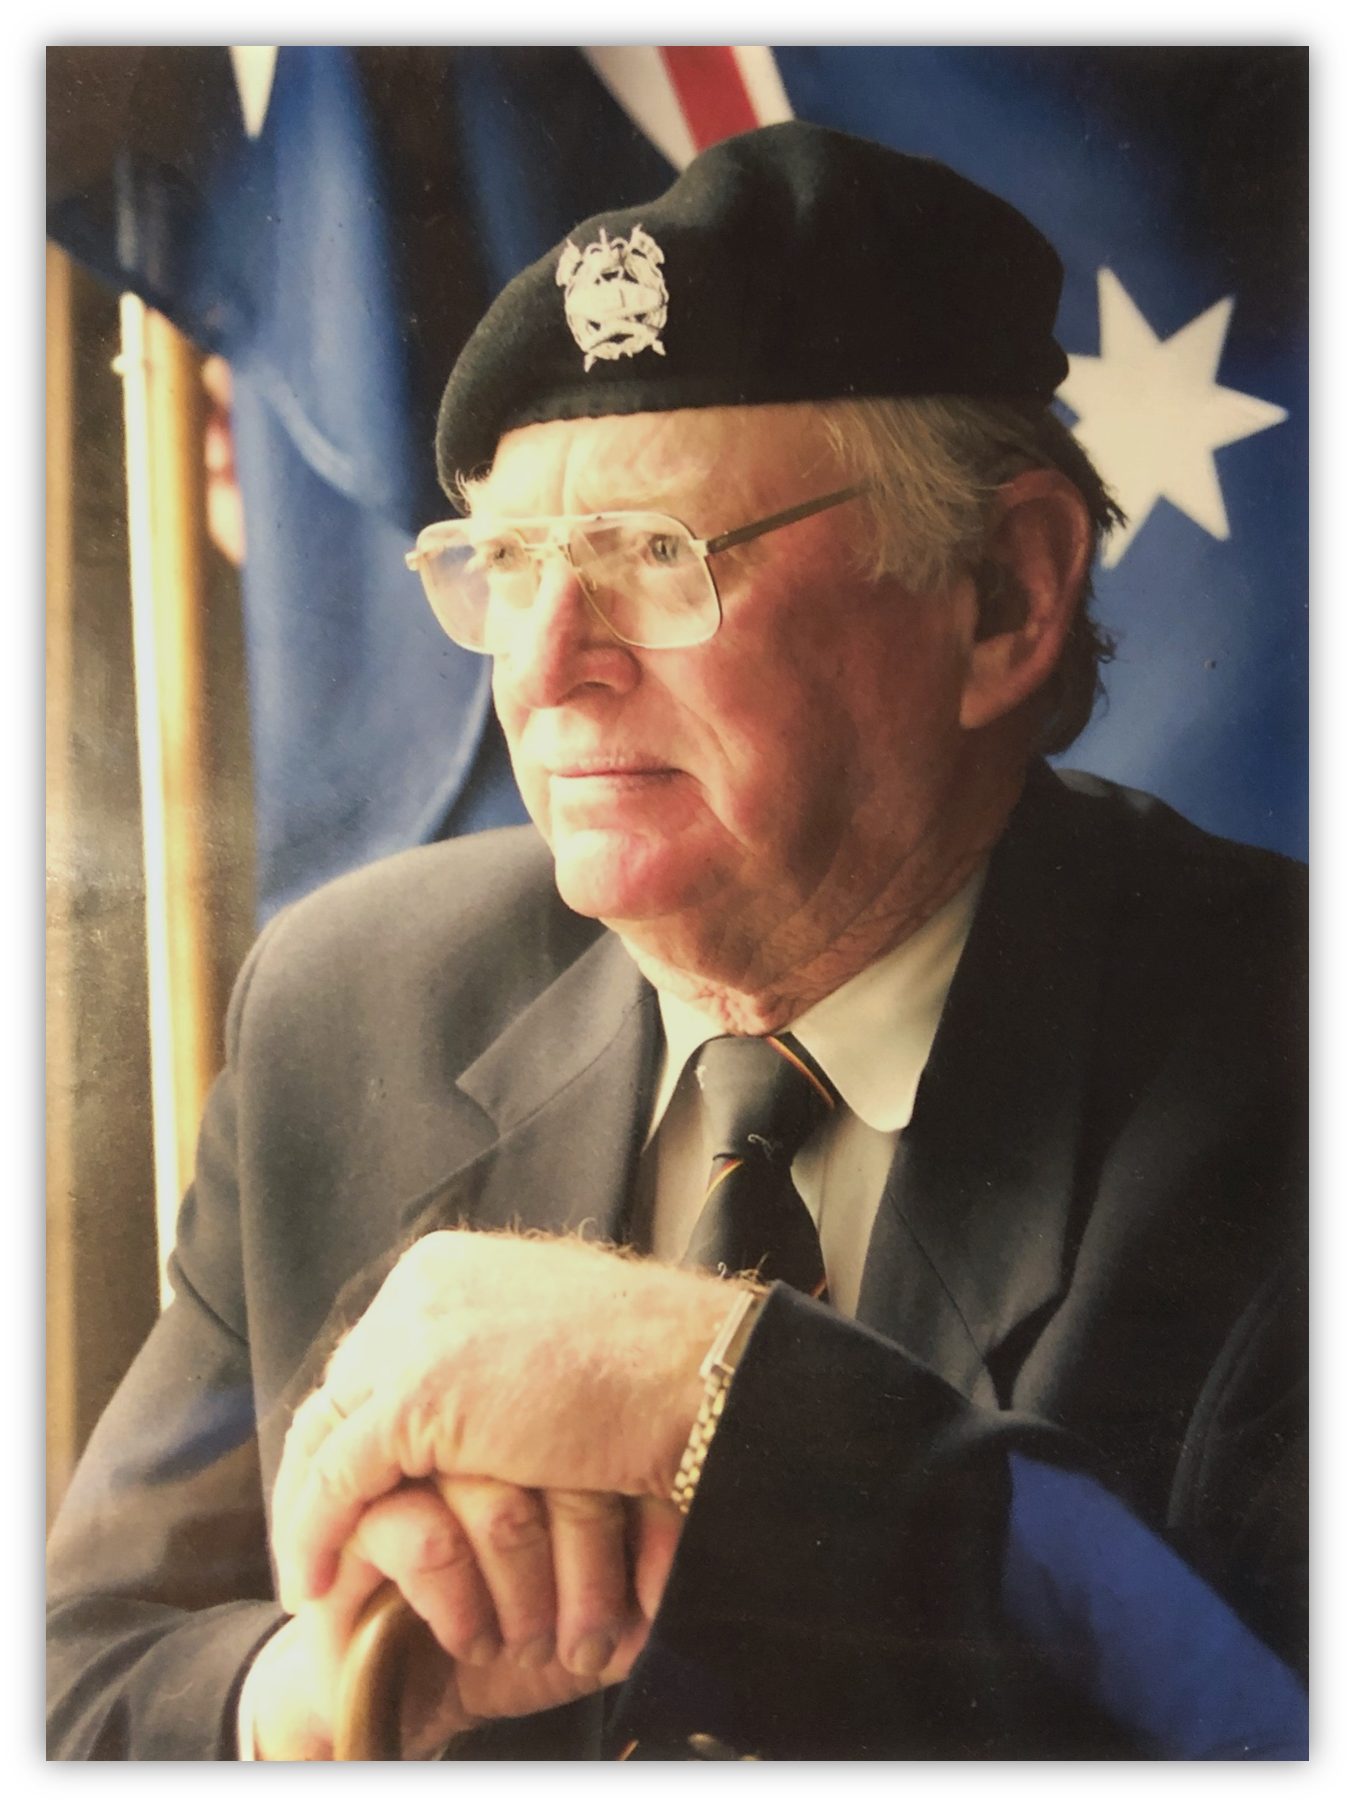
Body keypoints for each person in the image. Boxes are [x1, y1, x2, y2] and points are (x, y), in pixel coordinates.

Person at [46, 123, 1308, 1761]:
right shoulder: (351, 1001)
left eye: (657, 557)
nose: (547, 666)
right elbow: (88, 1670)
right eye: (507, 565)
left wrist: (712, 1394)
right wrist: (306, 1699)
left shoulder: (1272, 1062)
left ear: (1003, 594)